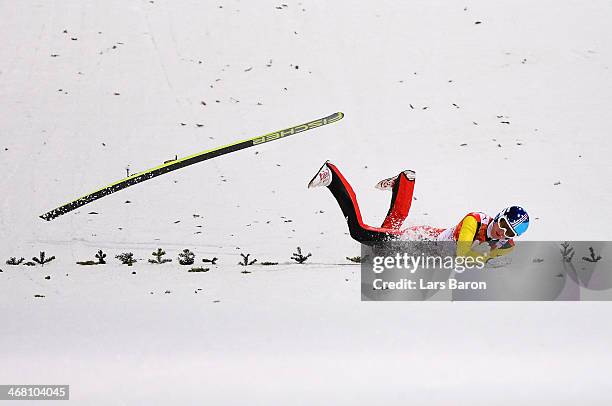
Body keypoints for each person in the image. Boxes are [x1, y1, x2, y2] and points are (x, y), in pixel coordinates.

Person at [308, 161, 529, 261]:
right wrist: (485, 257)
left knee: (381, 250)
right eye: (503, 225)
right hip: (421, 239)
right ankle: (333, 178)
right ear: (498, 217)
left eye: (509, 232)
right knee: (359, 232)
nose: (502, 233)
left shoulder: (506, 245)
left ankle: (404, 183)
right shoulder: (475, 221)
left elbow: (493, 258)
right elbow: (463, 255)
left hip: (426, 247)